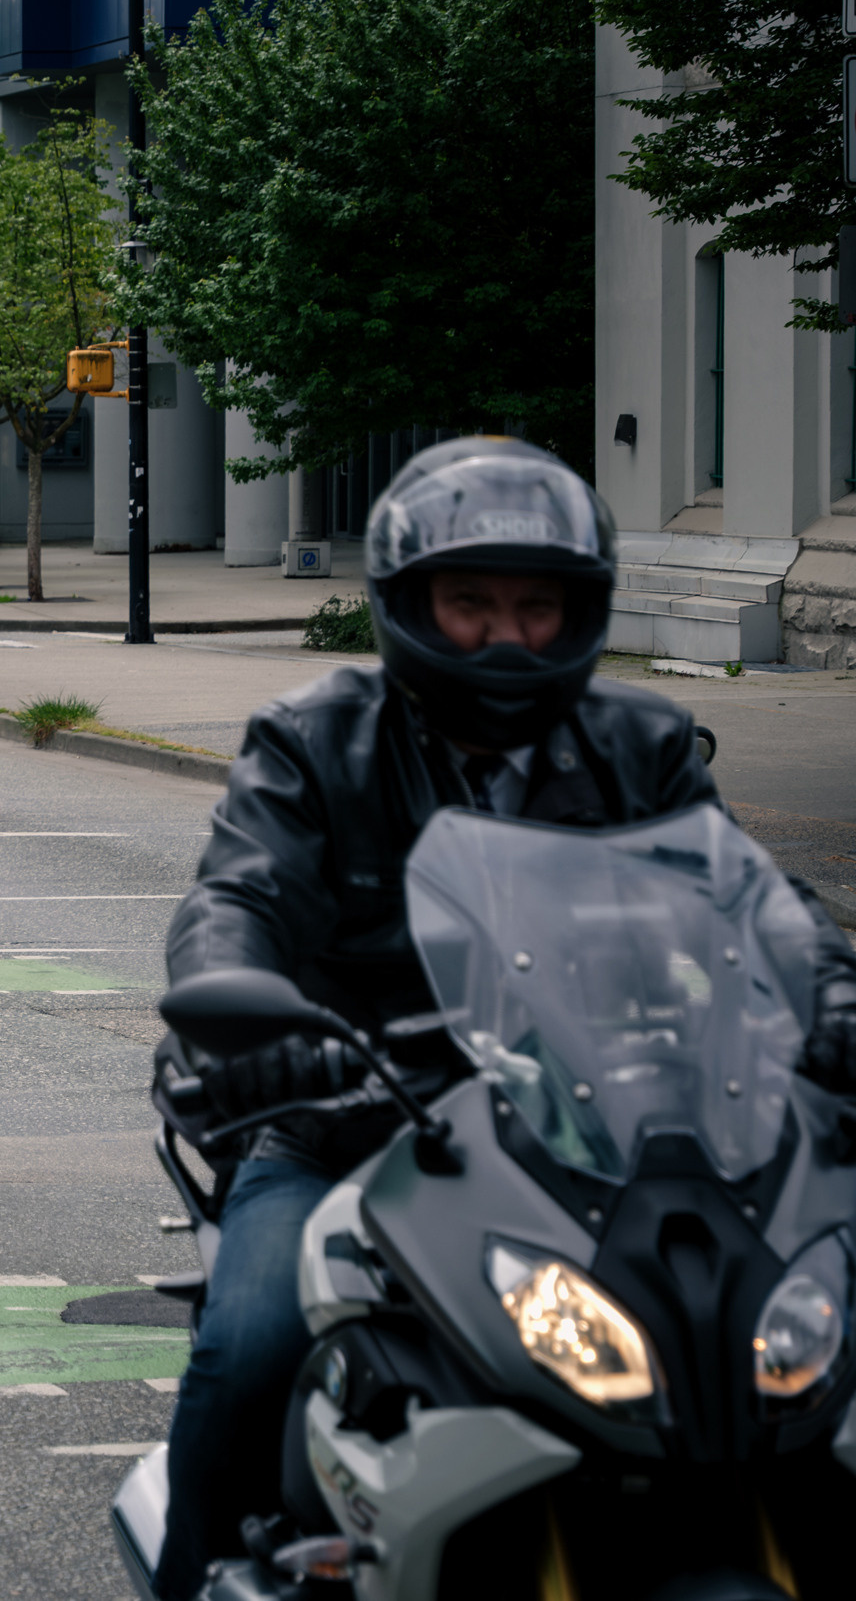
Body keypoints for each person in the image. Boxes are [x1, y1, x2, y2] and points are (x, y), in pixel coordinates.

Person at [147, 437, 856, 1598]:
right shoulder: (315, 741)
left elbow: (759, 907)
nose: (505, 636)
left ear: (579, 612)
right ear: (410, 606)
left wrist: (831, 998)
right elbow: (236, 900)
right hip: (356, 1117)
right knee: (254, 1339)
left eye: (535, 607)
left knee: (802, 1348)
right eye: (470, 604)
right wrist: (254, 1026)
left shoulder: (642, 746)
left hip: (608, 1137)